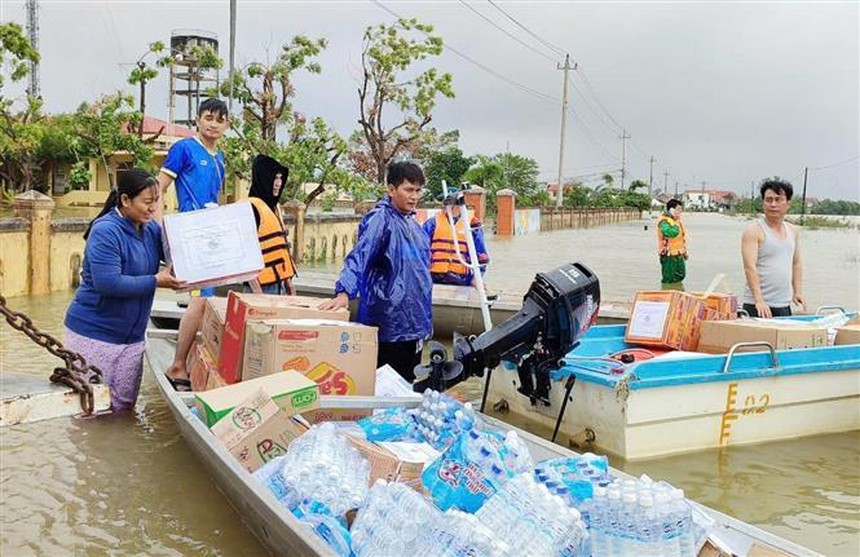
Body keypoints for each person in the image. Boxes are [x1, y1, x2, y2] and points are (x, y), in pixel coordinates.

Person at [64, 169, 185, 412]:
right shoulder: (106, 231)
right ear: (126, 200)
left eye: (156, 202)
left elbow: (178, 255)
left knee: (123, 410)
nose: (152, 209)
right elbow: (108, 283)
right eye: (147, 202)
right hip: (94, 334)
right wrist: (155, 281)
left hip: (132, 338)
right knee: (90, 410)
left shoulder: (150, 229)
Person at [318, 161, 432, 382]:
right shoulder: (381, 219)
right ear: (391, 189)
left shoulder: (413, 224)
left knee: (406, 386)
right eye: (408, 189)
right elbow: (360, 256)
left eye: (418, 190)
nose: (414, 196)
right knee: (384, 386)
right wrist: (344, 292)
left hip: (415, 323)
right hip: (389, 322)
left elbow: (421, 270)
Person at [157, 98, 229, 390]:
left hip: (209, 237)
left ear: (226, 125)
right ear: (197, 120)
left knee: (206, 302)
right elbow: (156, 188)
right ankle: (177, 365)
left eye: (219, 119)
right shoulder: (184, 149)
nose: (213, 123)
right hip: (189, 234)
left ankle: (186, 362)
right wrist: (165, 230)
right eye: (208, 117)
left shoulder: (219, 158)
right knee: (199, 300)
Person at [741, 178, 806, 318]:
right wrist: (759, 300)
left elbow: (796, 263)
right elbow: (749, 267)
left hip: (783, 304)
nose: (773, 204)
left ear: (788, 203)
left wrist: (798, 291)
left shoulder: (793, 231)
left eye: (778, 199)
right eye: (768, 200)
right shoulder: (754, 231)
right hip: (757, 305)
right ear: (763, 203)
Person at [246, 154, 297, 295]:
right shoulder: (251, 209)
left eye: (280, 178)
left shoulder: (274, 208)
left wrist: (289, 283)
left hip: (278, 282)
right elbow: (245, 255)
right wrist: (257, 292)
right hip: (259, 287)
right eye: (274, 178)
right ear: (263, 179)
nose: (278, 183)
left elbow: (281, 249)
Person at [423, 192, 490, 288]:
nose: (445, 208)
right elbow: (420, 249)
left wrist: (476, 278)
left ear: (459, 206)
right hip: (434, 276)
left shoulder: (471, 225)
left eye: (450, 205)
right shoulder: (432, 223)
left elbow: (481, 255)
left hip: (461, 278)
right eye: (444, 205)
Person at [657, 198, 688, 290]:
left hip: (679, 253)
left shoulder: (677, 221)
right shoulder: (664, 221)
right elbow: (670, 233)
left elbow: (682, 238)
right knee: (668, 279)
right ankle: (666, 295)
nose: (680, 212)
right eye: (678, 210)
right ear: (671, 209)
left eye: (681, 210)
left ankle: (677, 293)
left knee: (681, 275)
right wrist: (674, 223)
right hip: (668, 254)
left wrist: (685, 252)